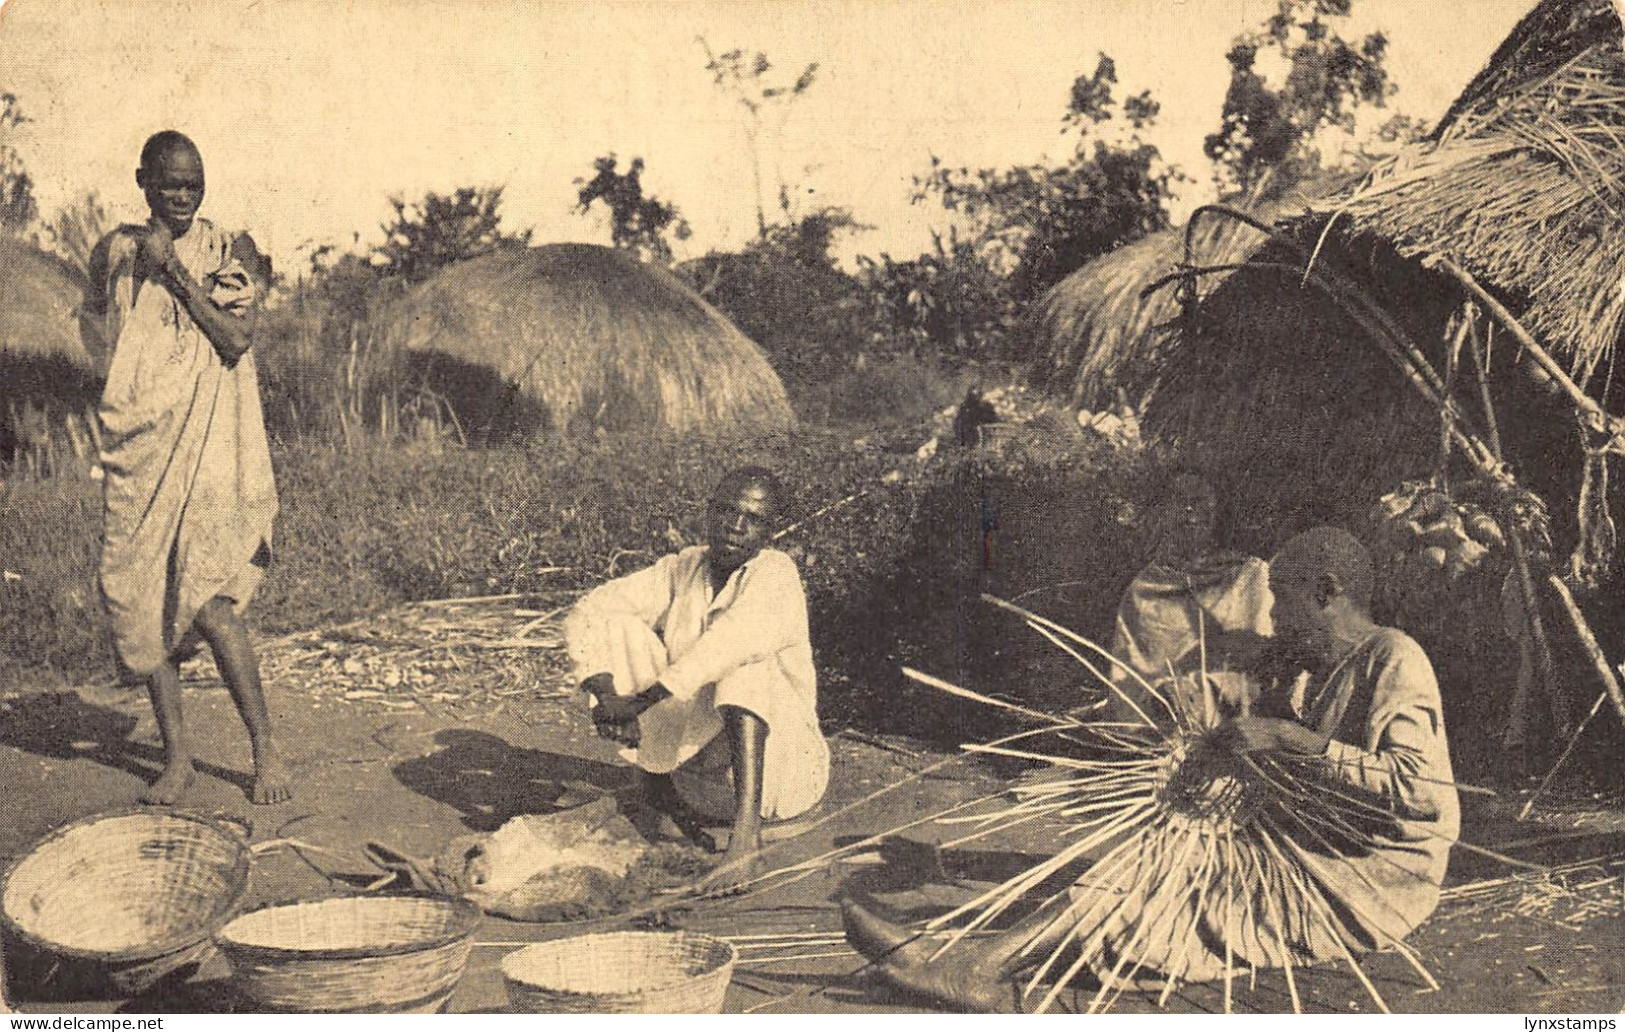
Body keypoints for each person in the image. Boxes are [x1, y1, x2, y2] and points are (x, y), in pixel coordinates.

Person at [844, 526, 1459, 1012]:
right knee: (1153, 871)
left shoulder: (1396, 658)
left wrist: (1288, 737)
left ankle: (973, 972)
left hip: (1371, 879)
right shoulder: (1322, 666)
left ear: (1327, 593)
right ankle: (964, 959)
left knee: (1169, 892)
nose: (1275, 620)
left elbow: (1416, 792)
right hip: (1321, 852)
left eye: (1285, 602)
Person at [83, 131, 288, 805]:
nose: (183, 194)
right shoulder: (115, 252)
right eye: (171, 183)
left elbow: (233, 339)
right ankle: (178, 759)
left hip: (207, 451)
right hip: (141, 448)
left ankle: (264, 751)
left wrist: (173, 272)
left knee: (207, 600)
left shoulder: (229, 250)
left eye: (194, 183)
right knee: (143, 600)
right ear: (144, 181)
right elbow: (97, 330)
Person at [563, 467, 830, 891]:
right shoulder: (683, 567)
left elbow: (727, 645)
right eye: (726, 511)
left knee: (747, 663)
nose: (735, 526)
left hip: (783, 781)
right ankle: (655, 781)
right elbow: (590, 609)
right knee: (619, 623)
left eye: (752, 518)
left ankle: (745, 839)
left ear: (769, 531)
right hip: (697, 780)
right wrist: (606, 694)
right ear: (709, 513)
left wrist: (640, 703)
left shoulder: (776, 573)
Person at [1104, 470, 1273, 721]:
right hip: (1155, 737)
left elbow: (1266, 668)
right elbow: (1126, 685)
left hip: (1238, 734)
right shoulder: (1145, 588)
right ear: (1162, 512)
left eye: (1201, 501)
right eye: (1179, 500)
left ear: (1219, 511)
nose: (1190, 512)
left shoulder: (1250, 577)